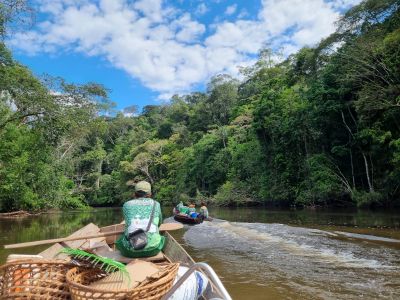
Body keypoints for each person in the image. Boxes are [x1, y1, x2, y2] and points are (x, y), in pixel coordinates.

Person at [116, 180, 165, 258]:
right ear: (150, 194)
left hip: (130, 251)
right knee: (162, 238)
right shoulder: (156, 204)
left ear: (134, 194)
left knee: (119, 241)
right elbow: (159, 224)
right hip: (153, 249)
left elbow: (127, 224)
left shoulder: (126, 205)